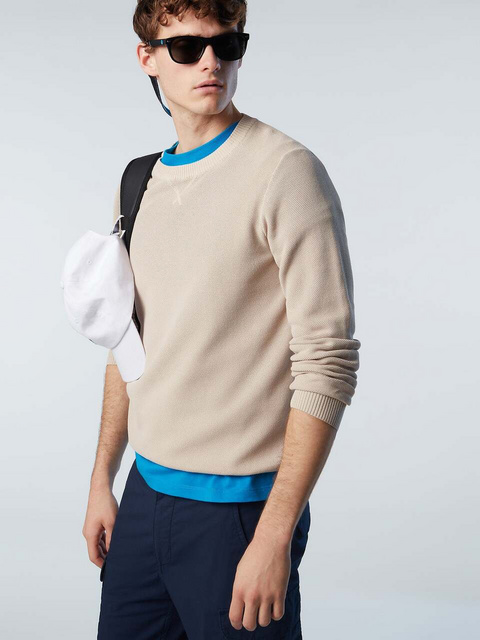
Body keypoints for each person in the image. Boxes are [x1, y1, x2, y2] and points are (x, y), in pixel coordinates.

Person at [83, 1, 361, 638]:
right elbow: (126, 339)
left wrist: (275, 534)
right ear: (148, 58)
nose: (211, 62)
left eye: (228, 45)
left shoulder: (285, 172)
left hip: (239, 513)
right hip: (146, 495)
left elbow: (327, 360)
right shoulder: (138, 182)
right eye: (187, 47)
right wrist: (102, 478)